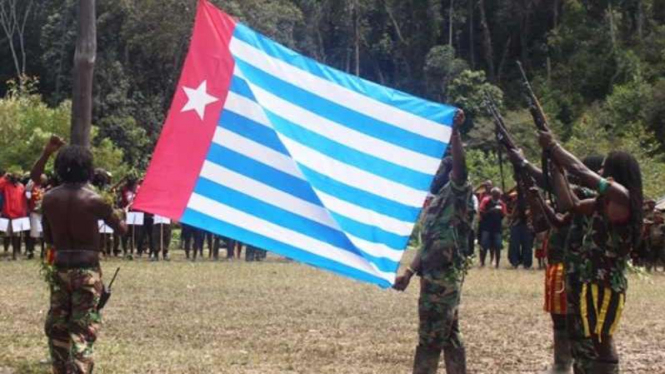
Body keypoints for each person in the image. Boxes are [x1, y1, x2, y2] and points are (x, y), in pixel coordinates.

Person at [538, 130, 643, 373]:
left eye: (605, 169)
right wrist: (556, 167)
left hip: (606, 282)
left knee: (602, 341)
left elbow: (583, 172)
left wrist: (554, 146)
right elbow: (570, 204)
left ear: (618, 172)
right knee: (596, 340)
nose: (601, 172)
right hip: (592, 279)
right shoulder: (604, 201)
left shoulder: (621, 195)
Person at [32, 137, 128, 374]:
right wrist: (118, 211)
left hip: (60, 268)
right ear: (87, 170)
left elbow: (49, 239)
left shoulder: (50, 199)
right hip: (87, 271)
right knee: (82, 328)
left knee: (58, 328)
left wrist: (46, 152)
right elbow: (122, 230)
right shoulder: (95, 200)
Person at [393, 110, 470, 374]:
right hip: (432, 279)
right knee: (449, 335)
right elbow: (426, 245)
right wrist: (409, 272)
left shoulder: (455, 194)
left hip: (444, 281)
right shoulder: (435, 203)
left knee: (430, 338)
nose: (433, 173)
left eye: (439, 169)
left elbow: (461, 169)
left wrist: (455, 134)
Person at [0, 169, 28, 260]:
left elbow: (24, 200)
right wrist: (4, 177)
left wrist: (24, 212)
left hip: (18, 214)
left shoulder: (21, 186)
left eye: (17, 176)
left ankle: (15, 253)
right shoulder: (5, 185)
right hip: (7, 213)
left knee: (17, 235)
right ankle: (6, 252)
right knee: (7, 234)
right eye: (13, 176)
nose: (15, 178)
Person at [478, 187, 506, 268]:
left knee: (497, 245)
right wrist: (490, 211)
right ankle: (482, 262)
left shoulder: (501, 203)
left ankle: (497, 264)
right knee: (484, 244)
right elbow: (481, 212)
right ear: (492, 194)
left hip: (497, 227)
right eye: (496, 194)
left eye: (499, 195)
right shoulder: (486, 201)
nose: (498, 196)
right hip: (486, 226)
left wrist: (500, 213)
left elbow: (504, 214)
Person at [26, 173, 47, 259]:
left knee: (42, 233)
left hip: (43, 213)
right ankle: (31, 251)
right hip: (34, 212)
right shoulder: (32, 187)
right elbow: (27, 196)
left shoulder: (45, 188)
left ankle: (43, 252)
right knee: (34, 233)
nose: (42, 181)